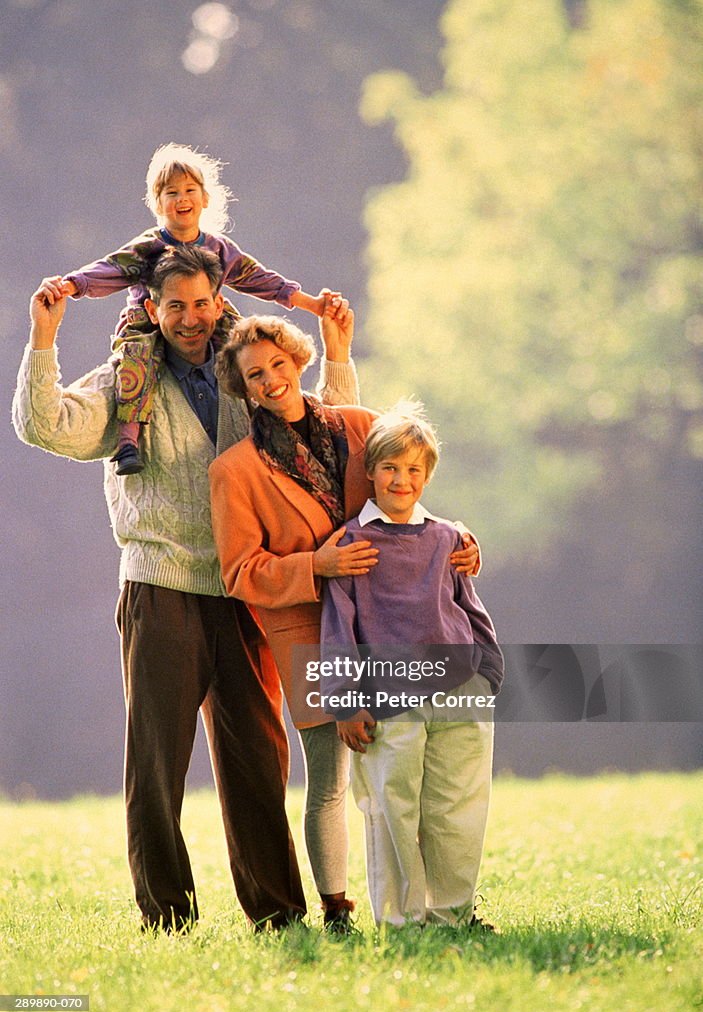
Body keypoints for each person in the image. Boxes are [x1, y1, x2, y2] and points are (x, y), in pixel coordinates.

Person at [12, 245, 358, 934]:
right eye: (176, 306)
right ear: (152, 309)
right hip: (159, 584)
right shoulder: (125, 383)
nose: (193, 318)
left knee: (257, 756)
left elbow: (327, 435)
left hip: (242, 592)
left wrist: (337, 352)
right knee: (156, 759)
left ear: (219, 300)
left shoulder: (245, 376)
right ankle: (166, 916)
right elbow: (45, 426)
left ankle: (278, 913)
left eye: (203, 303)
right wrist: (43, 340)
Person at [209, 316, 481, 932]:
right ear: (244, 388)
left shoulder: (359, 426)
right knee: (330, 775)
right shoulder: (234, 471)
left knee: (418, 779)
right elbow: (240, 571)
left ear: (299, 360)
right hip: (306, 627)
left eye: (278, 364)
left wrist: (461, 537)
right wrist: (318, 564)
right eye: (256, 374)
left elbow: (406, 485)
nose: (271, 380)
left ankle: (436, 905)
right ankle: (338, 909)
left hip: (390, 622)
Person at [35, 142, 342, 476]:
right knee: (136, 362)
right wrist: (70, 285)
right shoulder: (148, 247)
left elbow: (259, 278)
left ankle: (272, 428)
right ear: (157, 203)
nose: (182, 199)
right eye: (171, 192)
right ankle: (128, 440)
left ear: (205, 198)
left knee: (246, 351)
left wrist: (312, 305)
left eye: (189, 190)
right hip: (147, 324)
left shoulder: (217, 248)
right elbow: (110, 269)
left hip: (215, 318)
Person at [319, 403, 504, 928]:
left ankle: (452, 916)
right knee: (392, 810)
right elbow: (338, 628)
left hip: (460, 691)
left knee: (457, 808)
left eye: (414, 470)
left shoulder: (449, 538)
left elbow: (469, 608)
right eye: (391, 468)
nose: (402, 480)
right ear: (372, 471)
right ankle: (402, 923)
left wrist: (488, 673)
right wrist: (346, 700)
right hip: (390, 701)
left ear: (427, 475)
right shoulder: (351, 543)